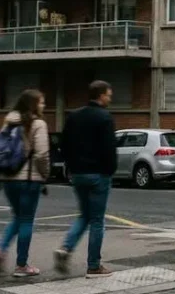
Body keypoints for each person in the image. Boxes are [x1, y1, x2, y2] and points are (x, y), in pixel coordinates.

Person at [55, 81, 117, 279]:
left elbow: (63, 145)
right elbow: (109, 149)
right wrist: (109, 171)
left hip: (78, 174)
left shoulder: (74, 116)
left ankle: (65, 248)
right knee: (97, 220)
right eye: (108, 95)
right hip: (98, 175)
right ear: (100, 95)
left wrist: (72, 167)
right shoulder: (105, 117)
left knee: (84, 215)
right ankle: (94, 266)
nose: (110, 98)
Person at [0, 89, 50, 277]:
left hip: (8, 179)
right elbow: (41, 154)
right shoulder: (38, 124)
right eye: (41, 102)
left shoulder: (9, 122)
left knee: (17, 217)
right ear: (32, 104)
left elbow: (1, 147)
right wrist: (45, 174)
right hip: (29, 179)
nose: (43, 105)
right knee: (26, 220)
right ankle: (21, 265)